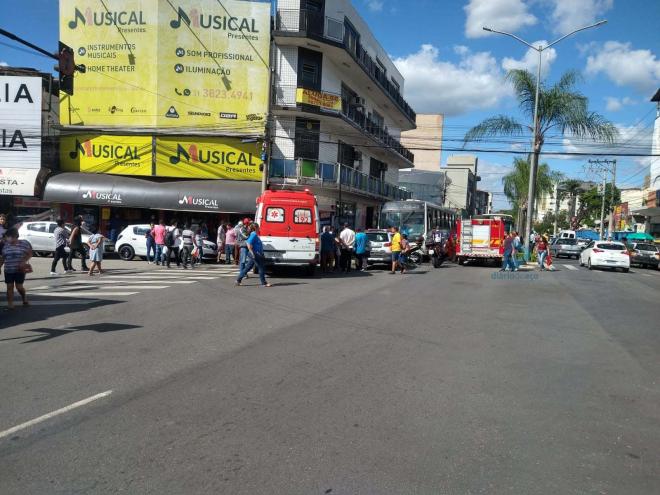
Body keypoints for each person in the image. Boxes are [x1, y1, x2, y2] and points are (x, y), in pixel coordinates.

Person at [1, 228, 32, 310]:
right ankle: (10, 304)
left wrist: (24, 260)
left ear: (14, 236)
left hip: (20, 269)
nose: (7, 238)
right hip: (8, 269)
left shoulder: (24, 243)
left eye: (8, 236)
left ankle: (24, 297)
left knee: (19, 287)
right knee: (9, 286)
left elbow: (29, 253)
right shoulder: (6, 245)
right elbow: (3, 258)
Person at [235, 223, 271, 287]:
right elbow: (248, 243)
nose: (259, 228)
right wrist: (252, 253)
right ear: (256, 228)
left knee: (248, 268)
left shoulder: (254, 234)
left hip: (255, 254)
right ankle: (264, 283)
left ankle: (238, 280)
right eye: (258, 227)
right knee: (261, 267)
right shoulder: (253, 234)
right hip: (255, 254)